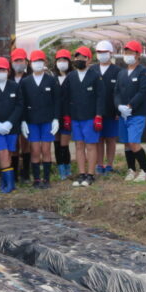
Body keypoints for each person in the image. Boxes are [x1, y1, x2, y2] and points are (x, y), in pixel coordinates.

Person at [64, 46, 104, 186]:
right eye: (77, 57)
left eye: (83, 57)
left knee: (91, 146)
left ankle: (91, 174)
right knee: (79, 145)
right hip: (75, 117)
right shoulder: (71, 76)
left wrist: (99, 115)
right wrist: (67, 116)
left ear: (89, 59)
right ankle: (81, 174)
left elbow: (100, 97)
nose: (80, 60)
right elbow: (65, 97)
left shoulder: (95, 76)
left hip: (90, 117)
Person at [21, 49, 60, 188]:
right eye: (35, 61)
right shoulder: (25, 82)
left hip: (47, 120)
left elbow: (56, 101)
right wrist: (23, 121)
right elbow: (22, 103)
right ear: (30, 63)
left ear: (44, 62)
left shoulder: (51, 80)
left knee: (46, 150)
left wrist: (56, 118)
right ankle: (36, 179)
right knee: (35, 150)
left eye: (40, 61)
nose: (38, 63)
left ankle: (47, 179)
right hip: (32, 121)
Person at [115, 41, 146, 181]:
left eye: (130, 52)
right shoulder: (122, 73)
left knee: (133, 142)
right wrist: (119, 106)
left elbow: (143, 92)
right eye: (126, 52)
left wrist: (130, 106)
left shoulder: (143, 71)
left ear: (137, 54)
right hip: (123, 114)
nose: (127, 55)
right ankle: (131, 170)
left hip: (137, 113)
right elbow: (116, 92)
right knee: (126, 143)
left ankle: (145, 171)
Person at [0, 57, 23, 193]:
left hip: (11, 128)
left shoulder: (15, 86)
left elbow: (19, 106)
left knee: (10, 153)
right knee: (3, 153)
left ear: (7, 71)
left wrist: (9, 122)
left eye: (2, 69)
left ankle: (6, 180)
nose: (0, 72)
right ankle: (10, 184)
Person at [92, 40, 121, 174]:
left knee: (110, 139)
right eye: (99, 52)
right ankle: (99, 165)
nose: (102, 55)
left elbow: (120, 92)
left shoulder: (118, 71)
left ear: (110, 53)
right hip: (96, 111)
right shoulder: (92, 69)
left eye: (104, 52)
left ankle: (109, 165)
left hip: (112, 111)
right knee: (98, 139)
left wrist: (117, 110)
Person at [10, 48, 30, 182]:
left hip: (27, 115)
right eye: (16, 60)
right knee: (14, 145)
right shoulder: (8, 78)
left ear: (26, 61)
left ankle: (26, 173)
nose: (18, 63)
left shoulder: (30, 77)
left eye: (21, 60)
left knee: (26, 144)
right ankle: (14, 173)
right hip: (11, 115)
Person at [53, 49, 73, 179]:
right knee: (56, 142)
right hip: (55, 115)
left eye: (64, 60)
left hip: (68, 114)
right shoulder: (52, 78)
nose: (62, 63)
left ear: (69, 62)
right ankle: (60, 168)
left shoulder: (73, 77)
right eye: (59, 60)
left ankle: (67, 166)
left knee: (64, 143)